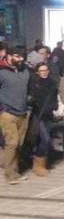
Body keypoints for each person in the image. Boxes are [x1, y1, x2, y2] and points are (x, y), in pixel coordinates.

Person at [0, 46, 31, 184]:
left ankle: (15, 171)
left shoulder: (25, 70)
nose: (21, 59)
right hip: (7, 113)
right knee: (12, 143)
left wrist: (29, 105)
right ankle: (10, 175)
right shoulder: (2, 72)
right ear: (9, 55)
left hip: (23, 112)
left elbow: (30, 88)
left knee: (18, 144)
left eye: (22, 56)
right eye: (18, 56)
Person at [28, 62, 59, 176]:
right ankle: (38, 163)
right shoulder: (34, 84)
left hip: (48, 115)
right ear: (37, 72)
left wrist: (55, 105)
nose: (44, 72)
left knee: (43, 139)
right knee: (46, 139)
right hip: (38, 115)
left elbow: (54, 97)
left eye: (46, 70)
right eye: (42, 70)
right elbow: (31, 98)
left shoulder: (52, 83)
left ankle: (40, 165)